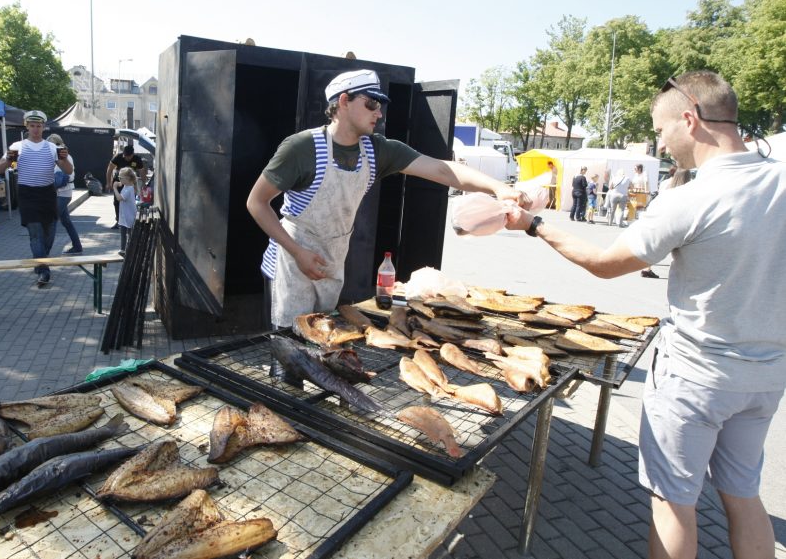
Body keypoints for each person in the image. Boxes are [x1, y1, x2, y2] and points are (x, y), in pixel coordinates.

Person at [506, 71, 786, 559]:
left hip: (696, 378)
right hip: (765, 376)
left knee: (674, 501)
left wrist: (534, 226)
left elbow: (605, 264)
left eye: (659, 130)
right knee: (742, 495)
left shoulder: (690, 197)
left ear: (689, 118)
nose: (659, 143)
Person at [247, 69, 528, 328]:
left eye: (380, 106)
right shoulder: (302, 148)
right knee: (286, 356)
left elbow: (443, 169)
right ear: (343, 101)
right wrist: (298, 252)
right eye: (371, 104)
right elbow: (256, 203)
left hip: (331, 263)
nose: (378, 114)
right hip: (290, 264)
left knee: (321, 344)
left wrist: (497, 187)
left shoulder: (378, 151)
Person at [0, 110, 72, 286]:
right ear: (26, 126)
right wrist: (7, 161)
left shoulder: (52, 147)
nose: (36, 129)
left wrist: (65, 159)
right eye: (32, 126)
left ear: (44, 127)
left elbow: (68, 171)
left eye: (39, 126)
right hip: (27, 194)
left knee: (50, 233)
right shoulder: (17, 146)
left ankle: (39, 261)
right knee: (35, 233)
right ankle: (44, 270)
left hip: (47, 194)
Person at [48, 134, 83, 255]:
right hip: (63, 193)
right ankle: (77, 246)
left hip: (62, 194)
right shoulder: (64, 155)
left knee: (51, 221)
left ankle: (44, 252)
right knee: (66, 222)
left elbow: (61, 177)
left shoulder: (63, 156)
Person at [106, 143, 146, 229]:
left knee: (130, 202)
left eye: (128, 156)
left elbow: (142, 171)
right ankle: (118, 221)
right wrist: (108, 183)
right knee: (117, 202)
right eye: (125, 156)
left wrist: (144, 183)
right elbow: (109, 169)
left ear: (132, 154)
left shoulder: (137, 159)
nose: (126, 158)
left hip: (131, 184)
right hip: (119, 181)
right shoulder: (118, 157)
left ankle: (130, 220)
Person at [113, 167, 137, 256]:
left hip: (129, 216)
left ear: (127, 179)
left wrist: (114, 188)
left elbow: (119, 198)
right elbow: (122, 184)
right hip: (124, 216)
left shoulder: (129, 189)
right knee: (123, 233)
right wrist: (119, 183)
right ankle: (123, 249)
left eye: (120, 178)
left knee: (129, 234)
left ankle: (130, 250)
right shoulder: (126, 186)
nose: (119, 179)